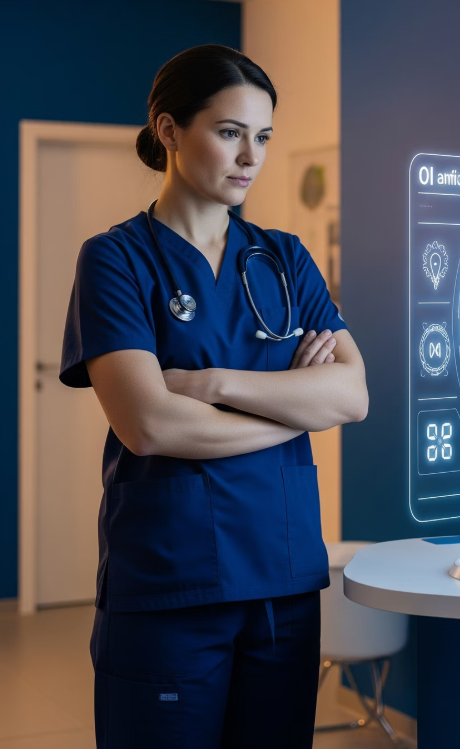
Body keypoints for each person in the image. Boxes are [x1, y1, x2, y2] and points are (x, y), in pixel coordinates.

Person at [59, 44, 368, 748]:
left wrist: (212, 385)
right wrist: (293, 408)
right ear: (169, 130)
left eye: (263, 137)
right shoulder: (115, 259)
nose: (250, 156)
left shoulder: (284, 259)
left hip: (283, 584)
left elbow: (351, 395)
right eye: (229, 132)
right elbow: (150, 424)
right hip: (170, 585)